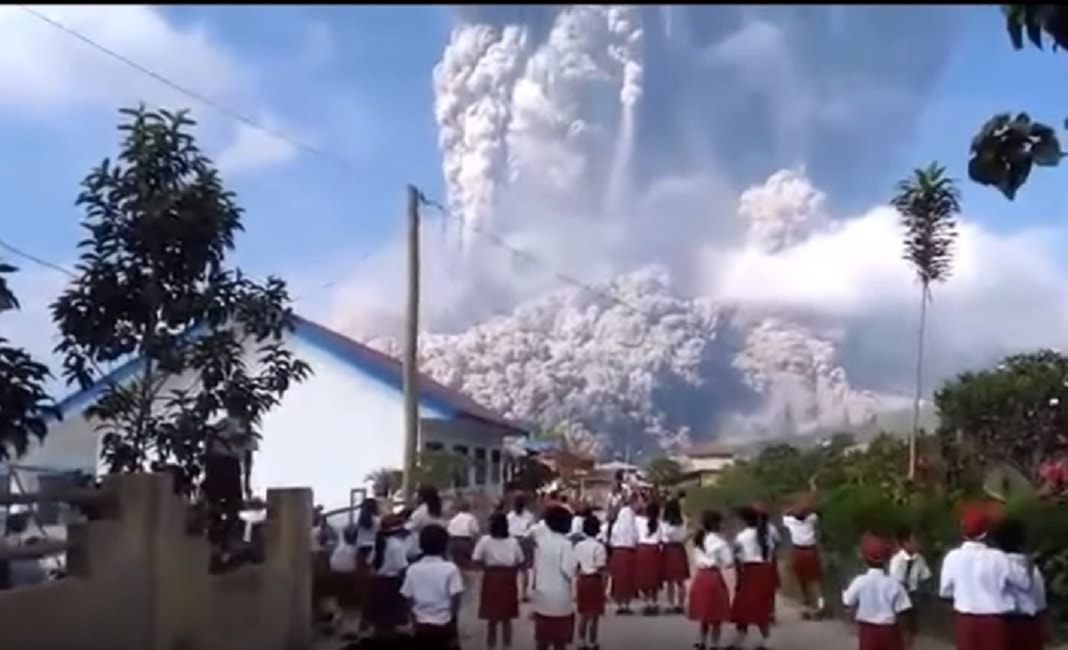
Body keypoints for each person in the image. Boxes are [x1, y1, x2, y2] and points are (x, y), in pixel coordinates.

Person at [939, 502, 1032, 650]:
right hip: (994, 622)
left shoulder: (952, 557)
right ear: (986, 533)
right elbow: (1024, 583)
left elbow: (945, 591)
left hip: (965, 621)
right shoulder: (998, 557)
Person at [842, 533, 912, 650]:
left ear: (864, 558)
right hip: (890, 631)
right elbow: (904, 611)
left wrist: (851, 623)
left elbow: (848, 603)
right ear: (888, 559)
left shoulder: (859, 582)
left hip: (868, 631)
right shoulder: (894, 584)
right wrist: (907, 634)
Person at [401, 524, 465, 649]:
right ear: (444, 545)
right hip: (444, 622)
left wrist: (413, 617)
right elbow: (456, 597)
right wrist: (453, 617)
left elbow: (408, 597)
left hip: (420, 623)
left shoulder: (413, 569)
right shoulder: (451, 569)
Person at [988, 517, 1047, 650]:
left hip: (1000, 625)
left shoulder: (992, 566)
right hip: (1029, 625)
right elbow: (1040, 602)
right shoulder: (1031, 568)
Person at [204, 411, 258, 552]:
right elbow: (248, 461)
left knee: (220, 504)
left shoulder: (223, 424)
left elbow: (209, 443)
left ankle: (220, 538)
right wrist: (247, 484)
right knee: (231, 506)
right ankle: (225, 540)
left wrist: (207, 468)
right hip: (228, 465)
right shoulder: (245, 430)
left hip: (219, 464)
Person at [528, 504, 579, 650]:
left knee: (542, 640)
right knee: (559, 641)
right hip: (560, 596)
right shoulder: (566, 544)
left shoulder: (540, 542)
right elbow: (568, 570)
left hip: (542, 595)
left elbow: (536, 567)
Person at [473, 512, 526, 650]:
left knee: (492, 618)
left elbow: (476, 559)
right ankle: (506, 645)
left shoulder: (485, 541)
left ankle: (490, 645)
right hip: (508, 579)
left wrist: (486, 568)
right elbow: (520, 560)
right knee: (507, 618)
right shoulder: (513, 542)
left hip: (491, 579)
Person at [729, 504, 778, 650]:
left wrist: (738, 578)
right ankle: (766, 639)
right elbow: (773, 549)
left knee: (743, 606)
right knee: (760, 606)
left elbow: (736, 558)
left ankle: (741, 638)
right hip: (764, 570)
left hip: (750, 571)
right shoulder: (765, 533)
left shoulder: (741, 537)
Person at [687, 510, 733, 650]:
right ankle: (714, 642)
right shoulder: (720, 542)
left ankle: (701, 639)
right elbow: (728, 562)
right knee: (716, 613)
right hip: (714, 577)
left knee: (705, 612)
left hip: (701, 577)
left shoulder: (698, 540)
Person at [364, 514, 413, 637]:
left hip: (377, 583)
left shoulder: (379, 543)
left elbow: (370, 562)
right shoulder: (396, 546)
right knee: (391, 620)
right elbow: (402, 566)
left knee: (379, 619)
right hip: (391, 584)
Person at [888, 526, 932, 650]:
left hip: (913, 596)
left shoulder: (919, 559)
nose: (916, 543)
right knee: (900, 629)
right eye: (913, 540)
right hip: (900, 596)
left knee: (911, 630)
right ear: (905, 543)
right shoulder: (897, 560)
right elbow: (895, 581)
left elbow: (926, 576)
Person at [782, 494, 824, 619]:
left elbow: (786, 512)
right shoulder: (812, 519)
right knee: (815, 580)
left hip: (798, 551)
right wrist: (806, 506)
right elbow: (814, 509)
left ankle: (805, 607)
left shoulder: (789, 521)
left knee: (801, 581)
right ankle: (819, 607)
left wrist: (794, 508)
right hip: (811, 551)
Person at [574, 515, 608, 650]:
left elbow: (575, 566)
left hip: (582, 578)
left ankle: (581, 640)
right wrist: (604, 588)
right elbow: (601, 568)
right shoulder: (599, 547)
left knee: (583, 613)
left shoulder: (578, 546)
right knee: (594, 614)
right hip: (594, 579)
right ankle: (592, 641)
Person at [607, 492, 639, 615]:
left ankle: (620, 603)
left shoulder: (619, 520)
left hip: (618, 550)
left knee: (620, 578)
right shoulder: (630, 515)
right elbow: (634, 534)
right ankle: (625, 603)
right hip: (628, 550)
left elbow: (613, 536)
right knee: (627, 578)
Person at [634, 500, 665, 615]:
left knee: (644, 578)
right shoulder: (660, 524)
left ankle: (646, 602)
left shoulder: (639, 521)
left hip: (642, 550)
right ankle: (654, 602)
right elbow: (662, 538)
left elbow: (635, 535)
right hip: (654, 551)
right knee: (654, 578)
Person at [661, 497, 690, 614]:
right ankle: (680, 604)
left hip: (668, 549)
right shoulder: (683, 521)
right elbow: (684, 537)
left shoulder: (664, 523)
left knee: (670, 581)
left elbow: (663, 536)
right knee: (680, 580)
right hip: (679, 549)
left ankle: (670, 604)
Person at [507, 493, 536, 600]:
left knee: (515, 570)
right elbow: (532, 530)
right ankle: (523, 593)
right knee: (524, 570)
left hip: (515, 541)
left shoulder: (510, 516)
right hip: (522, 541)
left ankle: (517, 593)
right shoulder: (529, 516)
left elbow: (507, 530)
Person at [354, 498, 380, 610]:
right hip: (372, 549)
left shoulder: (360, 521)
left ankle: (363, 604)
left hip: (361, 549)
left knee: (362, 580)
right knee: (372, 578)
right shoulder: (377, 521)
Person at [330, 526, 361, 615]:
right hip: (352, 580)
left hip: (337, 579)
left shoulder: (339, 550)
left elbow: (333, 564)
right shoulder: (357, 551)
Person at [447, 499, 480, 573]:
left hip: (454, 541)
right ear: (469, 508)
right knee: (466, 564)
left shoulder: (455, 518)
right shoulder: (471, 518)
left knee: (456, 563)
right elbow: (475, 531)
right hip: (465, 542)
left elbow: (449, 530)